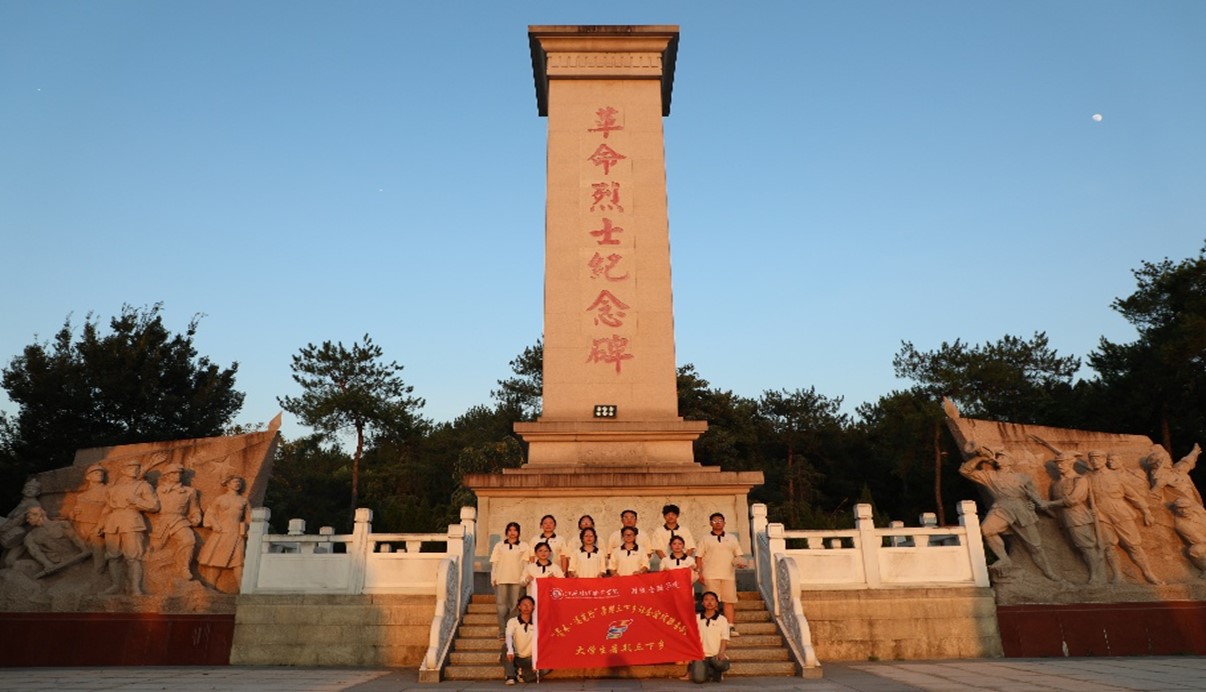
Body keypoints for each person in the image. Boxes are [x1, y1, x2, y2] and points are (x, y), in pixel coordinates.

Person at [958, 444, 1059, 580]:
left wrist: (1032, 504)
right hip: (1001, 507)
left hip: (1021, 510)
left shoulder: (1023, 477)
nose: (999, 459)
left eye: (1002, 457)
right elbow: (965, 471)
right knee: (986, 530)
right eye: (998, 457)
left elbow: (1035, 496)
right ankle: (1004, 559)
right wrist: (979, 458)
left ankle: (1048, 572)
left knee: (1035, 546)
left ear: (1010, 461)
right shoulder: (990, 476)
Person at [1086, 450, 1161, 585]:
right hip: (1101, 514)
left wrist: (1145, 511)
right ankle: (1118, 575)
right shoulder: (1088, 478)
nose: (1095, 461)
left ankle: (1148, 573)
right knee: (1109, 546)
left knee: (1133, 545)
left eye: (1098, 459)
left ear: (1104, 460)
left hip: (1120, 511)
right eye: (1092, 459)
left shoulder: (1117, 476)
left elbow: (1132, 495)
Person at [99, 459, 160, 595]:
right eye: (131, 467)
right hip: (113, 522)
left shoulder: (144, 486)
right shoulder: (114, 488)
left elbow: (154, 506)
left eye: (137, 468)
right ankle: (115, 585)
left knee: (133, 557)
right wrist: (101, 524)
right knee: (113, 556)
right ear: (123, 470)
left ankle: (135, 587)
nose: (135, 470)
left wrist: (137, 500)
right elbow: (107, 507)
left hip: (132, 520)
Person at [1048, 452, 1106, 584]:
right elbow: (1052, 503)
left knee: (1087, 547)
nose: (1059, 466)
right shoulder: (1055, 483)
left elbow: (1075, 499)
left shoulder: (1079, 479)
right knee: (1077, 547)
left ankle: (1096, 576)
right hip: (1063, 520)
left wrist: (1048, 504)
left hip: (1078, 518)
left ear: (1070, 463)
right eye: (1057, 464)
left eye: (1062, 463)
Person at [197, 475, 250, 593]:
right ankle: (210, 587)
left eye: (239, 482)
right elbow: (210, 514)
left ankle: (243, 588)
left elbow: (249, 518)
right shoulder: (220, 499)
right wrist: (215, 525)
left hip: (237, 533)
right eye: (234, 482)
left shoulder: (243, 500)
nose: (237, 484)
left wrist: (246, 528)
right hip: (221, 532)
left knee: (239, 562)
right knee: (216, 561)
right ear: (228, 484)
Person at [695, 513, 746, 635]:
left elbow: (738, 554)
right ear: (710, 523)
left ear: (724, 523)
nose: (717, 522)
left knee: (729, 601)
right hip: (710, 575)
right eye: (714, 520)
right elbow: (699, 557)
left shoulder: (732, 538)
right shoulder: (705, 538)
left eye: (720, 520)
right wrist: (699, 573)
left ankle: (730, 626)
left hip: (728, 575)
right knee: (712, 602)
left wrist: (740, 563)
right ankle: (715, 626)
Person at [153, 463, 203, 582]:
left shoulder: (189, 491)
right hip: (162, 521)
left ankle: (183, 568)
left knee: (189, 540)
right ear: (166, 476)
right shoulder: (158, 490)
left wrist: (196, 517)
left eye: (179, 473)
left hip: (179, 520)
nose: (177, 475)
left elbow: (194, 509)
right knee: (155, 548)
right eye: (174, 473)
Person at [65, 464, 109, 573]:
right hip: (82, 526)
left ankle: (98, 572)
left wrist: (101, 525)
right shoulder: (82, 496)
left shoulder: (108, 490)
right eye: (96, 473)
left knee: (98, 548)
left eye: (101, 473)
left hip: (98, 524)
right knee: (88, 548)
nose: (99, 475)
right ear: (88, 477)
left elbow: (109, 508)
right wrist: (73, 513)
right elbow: (73, 515)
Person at [490, 522, 531, 638]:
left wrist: (523, 578)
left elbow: (525, 564)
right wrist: (493, 577)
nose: (512, 533)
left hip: (517, 580)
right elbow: (495, 563)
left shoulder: (524, 546)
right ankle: (502, 631)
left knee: (515, 606)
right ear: (506, 532)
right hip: (502, 578)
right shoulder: (499, 546)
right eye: (510, 530)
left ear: (519, 532)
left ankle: (511, 630)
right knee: (501, 606)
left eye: (515, 530)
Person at [23, 507, 89, 572]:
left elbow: (75, 538)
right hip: (57, 563)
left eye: (29, 517)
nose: (27, 520)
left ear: (38, 515)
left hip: (75, 557)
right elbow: (35, 552)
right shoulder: (30, 537)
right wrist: (47, 564)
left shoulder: (62, 525)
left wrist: (84, 549)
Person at [688, 591, 731, 683]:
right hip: (700, 655)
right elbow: (692, 637)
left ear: (716, 603)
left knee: (721, 664)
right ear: (703, 603)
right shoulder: (696, 618)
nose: (709, 602)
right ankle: (707, 671)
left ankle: (715, 670)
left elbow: (724, 638)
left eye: (712, 600)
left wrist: (721, 653)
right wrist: (695, 653)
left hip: (715, 656)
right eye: (706, 600)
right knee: (698, 680)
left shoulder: (722, 620)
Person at [1, 478, 43, 567]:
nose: (29, 490)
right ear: (23, 490)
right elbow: (10, 516)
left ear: (38, 493)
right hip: (11, 533)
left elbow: (21, 520)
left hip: (22, 536)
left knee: (10, 560)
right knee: (3, 561)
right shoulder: (23, 503)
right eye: (27, 488)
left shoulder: (34, 505)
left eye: (33, 489)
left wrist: (4, 528)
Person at [1146, 443, 1203, 507]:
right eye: (1167, 459)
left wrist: (1194, 452)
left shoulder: (1173, 471)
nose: (1169, 460)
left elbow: (1186, 463)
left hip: (1192, 502)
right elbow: (1153, 494)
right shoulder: (1160, 477)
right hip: (1183, 505)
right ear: (1161, 463)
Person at [503, 595, 537, 685]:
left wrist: (536, 660)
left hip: (529, 658)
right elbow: (509, 635)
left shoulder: (537, 622)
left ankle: (522, 674)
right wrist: (510, 650)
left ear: (533, 607)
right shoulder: (513, 621)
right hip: (515, 656)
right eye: (524, 604)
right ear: (519, 606)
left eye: (529, 604)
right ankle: (510, 676)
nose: (526, 607)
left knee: (546, 668)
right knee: (506, 646)